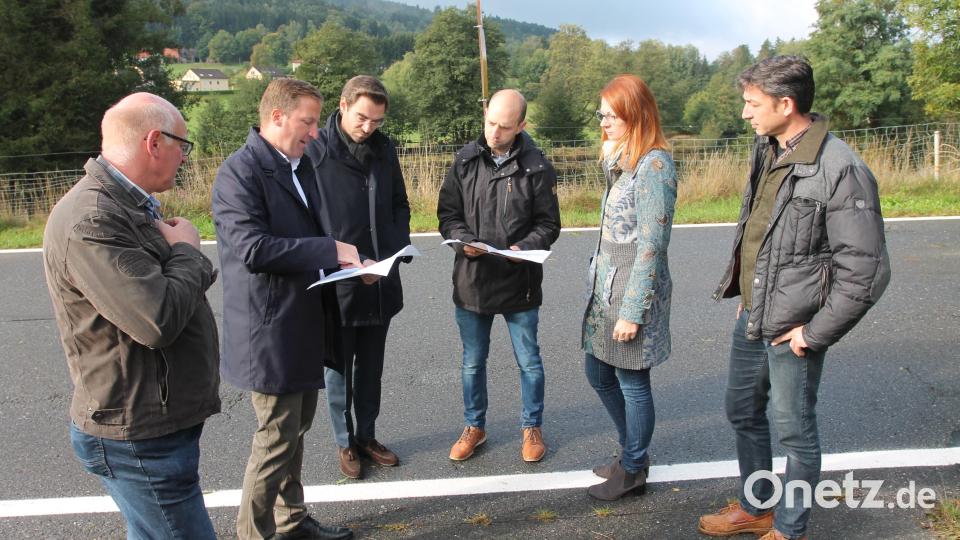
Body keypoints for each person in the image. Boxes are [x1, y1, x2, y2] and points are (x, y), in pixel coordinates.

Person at [698, 56, 890, 540]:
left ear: (787, 104)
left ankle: (789, 528)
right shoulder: (768, 149)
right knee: (742, 410)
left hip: (794, 328)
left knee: (795, 433)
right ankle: (757, 507)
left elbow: (866, 272)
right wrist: (746, 289)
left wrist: (814, 332)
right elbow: (762, 233)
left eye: (752, 103)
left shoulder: (840, 168)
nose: (745, 113)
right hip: (755, 313)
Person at [43, 92, 220, 539]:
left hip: (150, 424)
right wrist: (187, 254)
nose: (185, 157)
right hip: (139, 436)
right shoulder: (94, 219)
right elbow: (155, 319)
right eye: (183, 144)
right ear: (154, 142)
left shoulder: (127, 203)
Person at [213, 78, 359, 540]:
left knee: (296, 431)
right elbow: (253, 249)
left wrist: (351, 265)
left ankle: (290, 521)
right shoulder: (239, 172)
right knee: (276, 439)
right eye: (308, 122)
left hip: (302, 322)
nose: (315, 132)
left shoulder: (300, 165)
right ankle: (252, 535)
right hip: (270, 330)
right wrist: (328, 251)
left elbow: (308, 241)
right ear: (277, 116)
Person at [437, 89, 561, 463]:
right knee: (472, 362)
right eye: (491, 122)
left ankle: (532, 427)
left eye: (505, 127)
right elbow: (447, 215)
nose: (495, 132)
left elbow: (549, 224)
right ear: (485, 115)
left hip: (519, 279)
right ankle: (475, 426)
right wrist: (462, 242)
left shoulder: (537, 166)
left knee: (529, 361)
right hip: (472, 277)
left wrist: (524, 248)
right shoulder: (464, 160)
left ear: (521, 125)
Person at [305, 75, 411, 480]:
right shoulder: (315, 149)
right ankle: (344, 442)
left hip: (379, 279)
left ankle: (367, 435)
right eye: (363, 118)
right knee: (338, 371)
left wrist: (393, 254)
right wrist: (341, 260)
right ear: (343, 105)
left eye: (377, 121)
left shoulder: (385, 150)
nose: (368, 128)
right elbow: (306, 216)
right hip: (337, 280)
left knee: (371, 368)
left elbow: (400, 205)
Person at [582, 75, 677, 501]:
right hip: (607, 285)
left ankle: (634, 467)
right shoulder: (626, 159)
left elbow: (652, 246)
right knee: (598, 372)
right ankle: (631, 452)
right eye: (601, 114)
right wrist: (610, 159)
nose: (602, 122)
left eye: (609, 115)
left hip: (632, 291)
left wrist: (633, 311)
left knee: (632, 381)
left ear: (633, 115)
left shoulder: (655, 166)